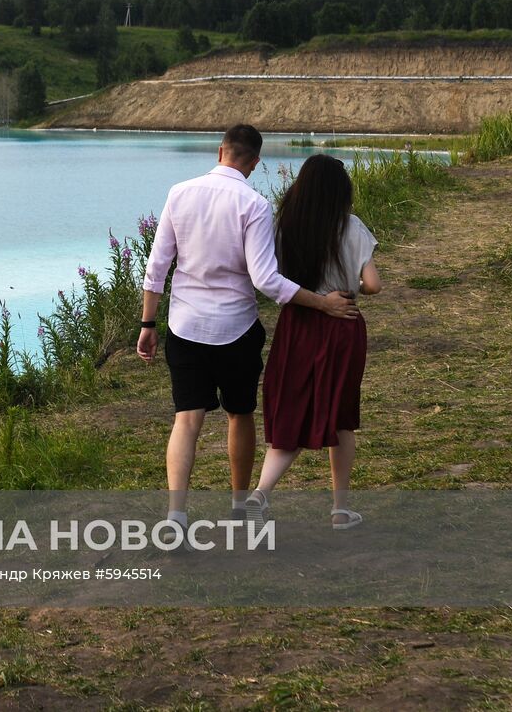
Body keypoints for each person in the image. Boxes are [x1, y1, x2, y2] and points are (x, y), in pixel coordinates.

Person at [136, 125, 357, 543]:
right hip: (236, 329)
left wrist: (148, 324)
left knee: (186, 420)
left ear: (220, 150)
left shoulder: (178, 193)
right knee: (240, 414)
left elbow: (157, 267)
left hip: (185, 327)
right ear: (254, 162)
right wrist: (323, 303)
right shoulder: (254, 203)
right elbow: (266, 280)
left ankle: (176, 516)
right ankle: (240, 506)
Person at [245, 153, 381, 529]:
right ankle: (339, 510)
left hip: (298, 324)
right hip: (342, 326)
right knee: (341, 416)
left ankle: (260, 493)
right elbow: (373, 284)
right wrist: (349, 286)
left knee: (293, 409)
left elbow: (269, 274)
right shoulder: (351, 226)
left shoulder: (283, 225)